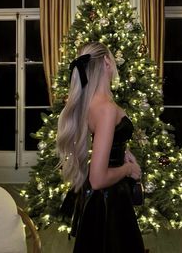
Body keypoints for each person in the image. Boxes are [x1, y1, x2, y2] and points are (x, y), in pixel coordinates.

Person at [57, 42, 145, 253]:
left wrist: (121, 152)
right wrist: (128, 170)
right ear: (107, 61)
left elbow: (106, 145)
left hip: (105, 199)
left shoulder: (94, 102)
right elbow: (97, 179)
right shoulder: (105, 108)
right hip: (109, 201)